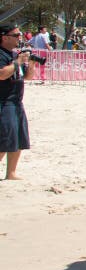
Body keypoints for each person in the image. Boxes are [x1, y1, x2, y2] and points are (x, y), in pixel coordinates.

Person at [0, 25, 39, 180]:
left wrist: (31, 64)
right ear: (4, 37)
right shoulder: (2, 55)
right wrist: (17, 62)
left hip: (17, 101)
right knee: (4, 138)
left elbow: (27, 77)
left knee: (18, 138)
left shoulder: (15, 54)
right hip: (4, 101)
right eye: (16, 35)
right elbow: (2, 74)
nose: (20, 37)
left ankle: (11, 172)